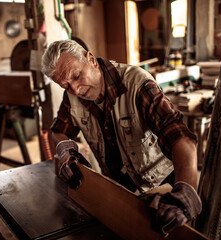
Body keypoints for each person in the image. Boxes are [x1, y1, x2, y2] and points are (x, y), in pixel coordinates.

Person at [41, 39, 202, 234]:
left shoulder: (137, 84)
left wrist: (186, 189)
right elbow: (60, 130)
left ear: (90, 59)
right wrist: (66, 153)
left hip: (163, 186)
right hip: (118, 188)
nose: (75, 89)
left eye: (76, 76)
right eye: (65, 86)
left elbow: (179, 137)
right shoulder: (73, 96)